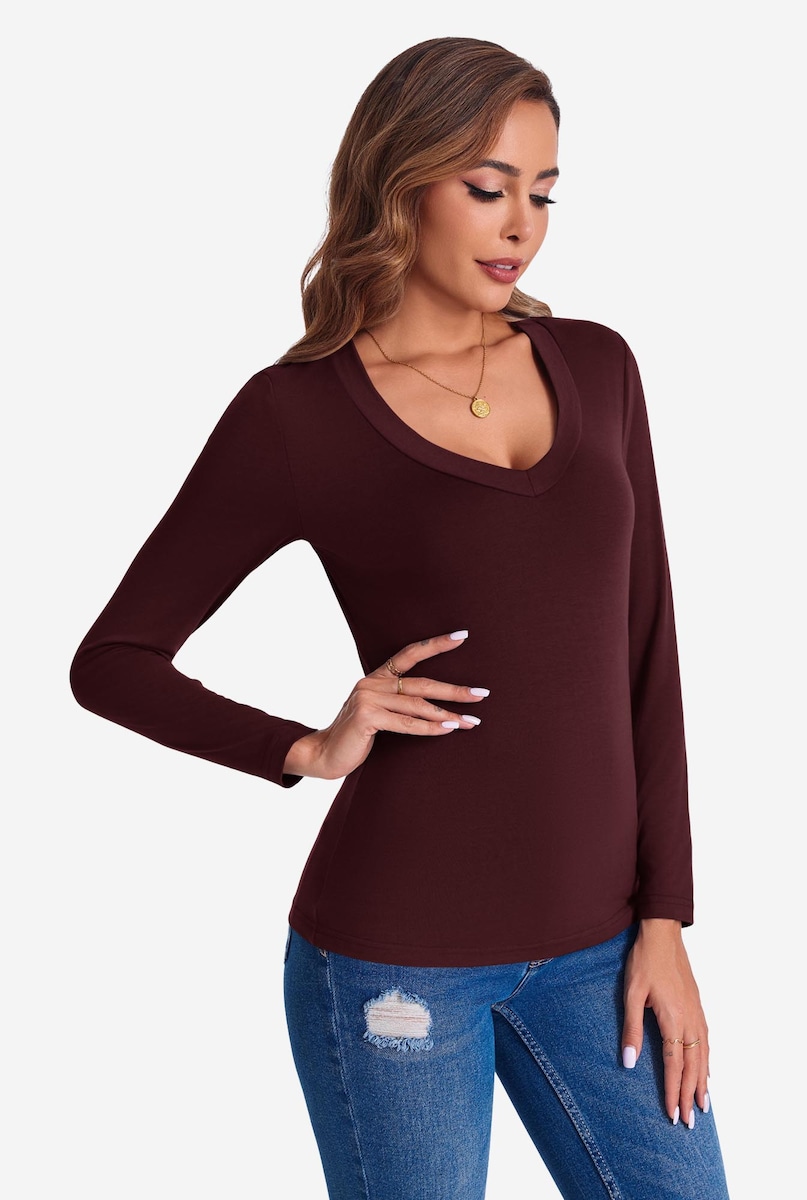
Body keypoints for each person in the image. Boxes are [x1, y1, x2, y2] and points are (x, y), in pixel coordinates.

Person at [70, 35, 730, 1200]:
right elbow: (114, 660)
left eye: (544, 193)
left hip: (603, 950)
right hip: (394, 959)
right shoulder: (299, 414)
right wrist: (305, 746)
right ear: (401, 184)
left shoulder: (599, 366)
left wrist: (667, 920)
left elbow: (648, 653)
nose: (521, 225)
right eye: (487, 188)